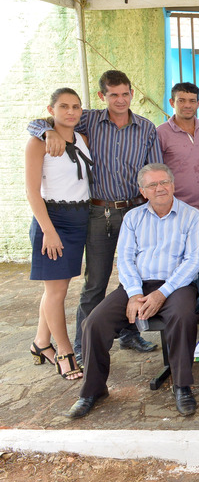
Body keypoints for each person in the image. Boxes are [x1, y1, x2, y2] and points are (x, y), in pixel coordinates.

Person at [27, 70, 163, 361]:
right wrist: (46, 132)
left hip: (135, 212)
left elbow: (154, 171)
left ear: (132, 94)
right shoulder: (87, 120)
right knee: (95, 282)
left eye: (125, 94)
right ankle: (82, 345)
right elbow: (40, 122)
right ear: (102, 96)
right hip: (100, 213)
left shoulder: (147, 128)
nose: (120, 100)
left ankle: (129, 333)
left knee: (136, 278)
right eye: (113, 94)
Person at [65, 164, 199, 418]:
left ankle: (182, 385)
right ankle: (93, 390)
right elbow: (125, 259)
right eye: (152, 185)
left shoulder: (193, 216)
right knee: (94, 323)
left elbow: (193, 262)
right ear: (143, 191)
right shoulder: (133, 218)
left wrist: (162, 293)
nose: (159, 188)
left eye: (164, 182)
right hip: (137, 285)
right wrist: (133, 293)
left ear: (173, 185)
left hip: (177, 285)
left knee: (183, 316)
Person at [25, 88, 92, 381]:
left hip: (80, 218)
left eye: (76, 106)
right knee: (56, 291)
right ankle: (64, 353)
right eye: (64, 106)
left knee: (57, 287)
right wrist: (48, 231)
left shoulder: (82, 138)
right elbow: (31, 191)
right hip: (53, 220)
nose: (71, 112)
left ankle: (41, 343)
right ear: (51, 110)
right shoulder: (38, 143)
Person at [157, 82, 199, 312]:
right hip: (177, 209)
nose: (187, 105)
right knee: (178, 260)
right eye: (181, 100)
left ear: (198, 103)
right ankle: (180, 305)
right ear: (172, 102)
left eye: (192, 101)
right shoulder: (161, 133)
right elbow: (158, 171)